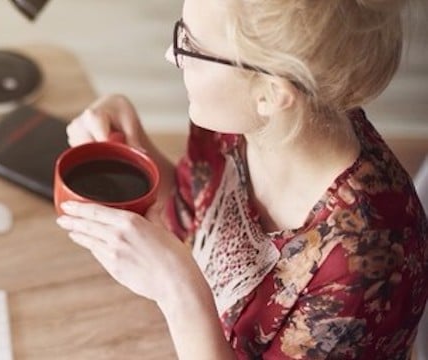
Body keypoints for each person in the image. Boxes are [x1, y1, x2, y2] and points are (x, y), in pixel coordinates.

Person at [55, 0, 428, 358]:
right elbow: (195, 217)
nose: (172, 56)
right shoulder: (239, 122)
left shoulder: (364, 258)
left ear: (271, 93)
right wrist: (138, 146)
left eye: (191, 44)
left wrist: (179, 293)